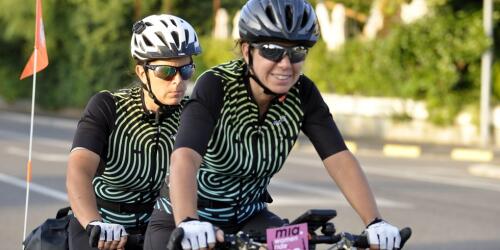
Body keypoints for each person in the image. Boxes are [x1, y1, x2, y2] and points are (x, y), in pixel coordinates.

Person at [145, 0, 402, 249]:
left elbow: (339, 158)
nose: (285, 65)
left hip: (249, 217)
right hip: (183, 216)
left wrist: (374, 221)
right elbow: (185, 157)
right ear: (247, 50)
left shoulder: (303, 93)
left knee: (298, 246)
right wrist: (188, 222)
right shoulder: (217, 85)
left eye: (296, 52)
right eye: (271, 50)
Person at [66, 14, 201, 250]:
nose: (178, 81)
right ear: (141, 72)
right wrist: (94, 222)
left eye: (186, 69)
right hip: (103, 220)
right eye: (166, 72)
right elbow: (79, 169)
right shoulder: (108, 106)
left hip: (158, 225)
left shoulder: (192, 113)